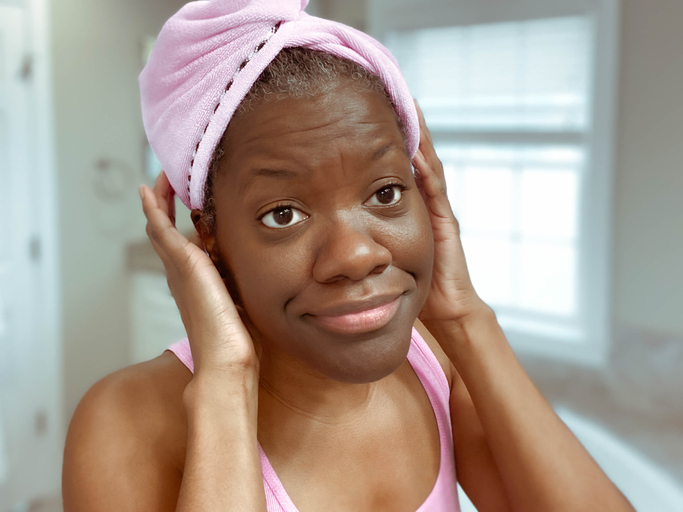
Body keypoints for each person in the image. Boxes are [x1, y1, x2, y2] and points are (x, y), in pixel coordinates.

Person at [62, 2, 635, 511]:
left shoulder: (436, 364)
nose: (357, 255)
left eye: (385, 193)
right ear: (208, 236)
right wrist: (224, 384)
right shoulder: (126, 423)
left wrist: (464, 319)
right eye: (282, 213)